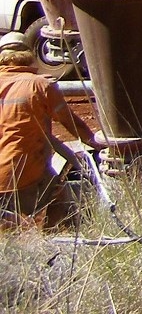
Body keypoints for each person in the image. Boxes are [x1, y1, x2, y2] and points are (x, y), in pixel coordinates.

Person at [0, 29, 105, 228]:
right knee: (60, 199)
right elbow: (70, 122)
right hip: (20, 175)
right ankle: (59, 238)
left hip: (7, 173)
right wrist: (93, 142)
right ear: (29, 55)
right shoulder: (40, 86)